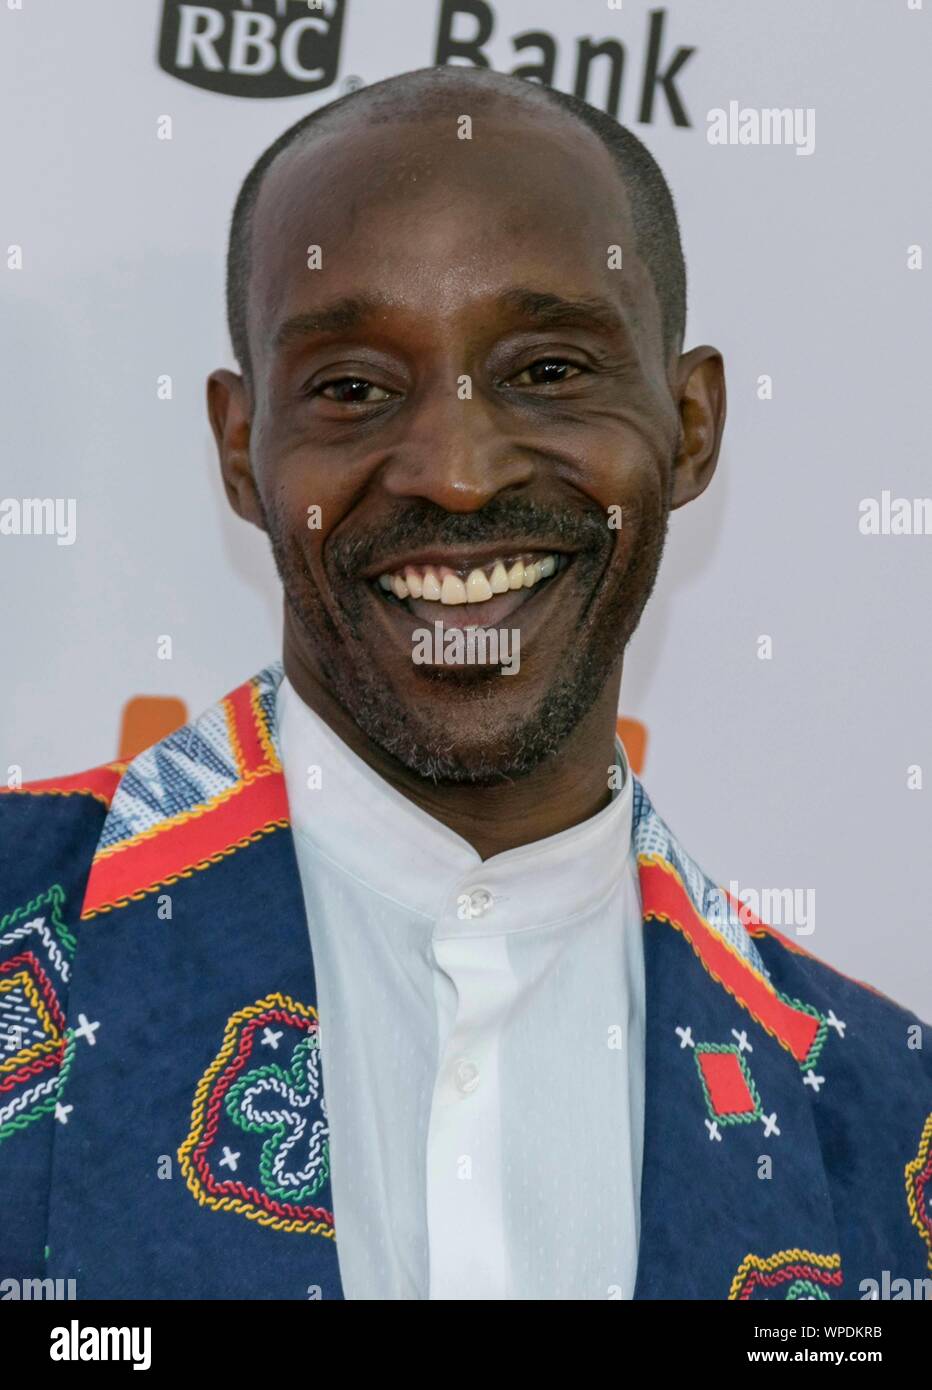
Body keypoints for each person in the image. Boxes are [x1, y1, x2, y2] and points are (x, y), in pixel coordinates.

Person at [1, 66, 929, 1302]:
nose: (453, 470)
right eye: (351, 388)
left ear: (691, 423)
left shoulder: (888, 1116)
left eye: (546, 370)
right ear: (240, 448)